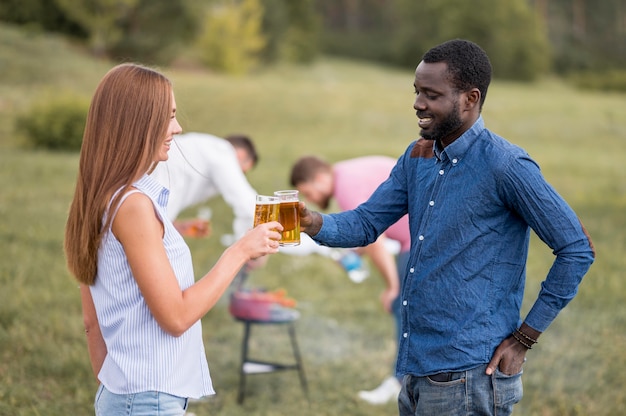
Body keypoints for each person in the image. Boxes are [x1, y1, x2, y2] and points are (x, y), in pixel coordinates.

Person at [296, 39, 595, 415]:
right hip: (417, 367)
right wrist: (310, 221)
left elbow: (576, 248)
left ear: (469, 99)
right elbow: (367, 222)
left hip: (470, 377)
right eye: (417, 91)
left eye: (431, 94)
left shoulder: (507, 166)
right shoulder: (417, 155)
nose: (418, 103)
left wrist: (523, 338)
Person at [64, 63, 282, 415]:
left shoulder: (103, 198)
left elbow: (92, 324)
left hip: (128, 396)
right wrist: (240, 251)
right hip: (147, 399)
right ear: (137, 125)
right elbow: (177, 317)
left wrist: (116, 389)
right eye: (168, 118)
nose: (177, 129)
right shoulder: (133, 205)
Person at [289, 155, 411, 405]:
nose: (311, 200)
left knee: (403, 309)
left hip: (419, 240)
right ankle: (407, 380)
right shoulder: (348, 173)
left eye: (308, 192)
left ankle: (401, 382)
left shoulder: (345, 186)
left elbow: (374, 237)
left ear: (320, 178)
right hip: (420, 235)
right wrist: (354, 251)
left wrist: (392, 287)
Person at [150, 132, 259, 241]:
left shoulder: (200, 146)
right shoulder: (223, 152)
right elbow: (249, 206)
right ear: (241, 154)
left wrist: (177, 226)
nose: (239, 175)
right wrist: (249, 248)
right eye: (242, 172)